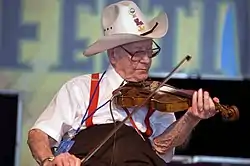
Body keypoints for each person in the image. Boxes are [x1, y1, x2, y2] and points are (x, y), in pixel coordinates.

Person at [27, 1, 219, 166]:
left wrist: (190, 118)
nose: (146, 60)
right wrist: (50, 161)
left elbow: (163, 146)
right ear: (113, 54)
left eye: (149, 51)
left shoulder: (157, 96)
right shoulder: (80, 88)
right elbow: (38, 134)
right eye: (137, 52)